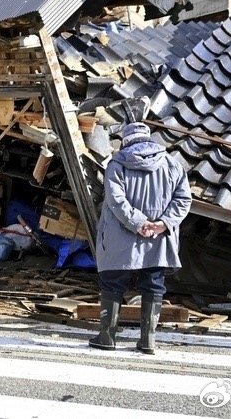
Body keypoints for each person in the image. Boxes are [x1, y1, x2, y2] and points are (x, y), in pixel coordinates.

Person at [90, 122, 192, 354]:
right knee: (153, 285)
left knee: (113, 284)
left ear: (126, 141)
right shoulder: (173, 164)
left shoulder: (117, 165)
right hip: (158, 238)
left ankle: (107, 336)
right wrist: (163, 224)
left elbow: (116, 200)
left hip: (120, 237)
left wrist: (138, 223)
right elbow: (184, 200)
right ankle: (148, 340)